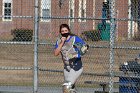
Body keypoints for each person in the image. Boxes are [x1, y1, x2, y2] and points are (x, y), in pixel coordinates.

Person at [54, 24, 89, 93]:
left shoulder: (74, 39)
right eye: (62, 31)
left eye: (66, 30)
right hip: (67, 68)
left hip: (76, 66)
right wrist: (62, 42)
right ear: (60, 32)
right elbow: (56, 53)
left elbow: (85, 48)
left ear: (69, 31)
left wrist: (75, 54)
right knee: (70, 89)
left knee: (67, 87)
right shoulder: (59, 41)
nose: (64, 32)